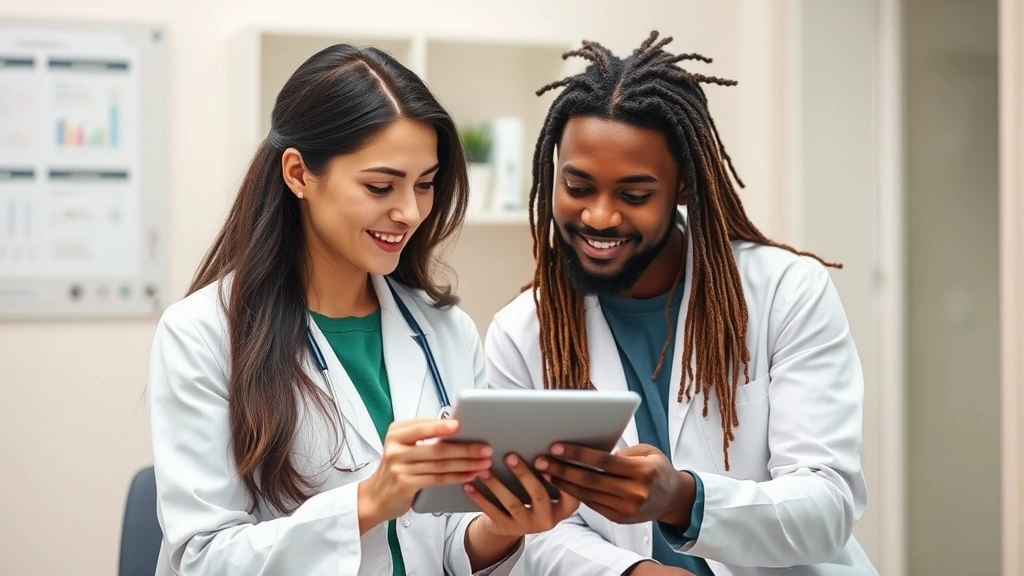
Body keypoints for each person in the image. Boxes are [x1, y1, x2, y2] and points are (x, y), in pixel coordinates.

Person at [147, 43, 577, 576]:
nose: (411, 211)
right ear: (299, 173)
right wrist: (368, 501)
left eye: (425, 184)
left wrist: (501, 528)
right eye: (380, 186)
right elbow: (201, 558)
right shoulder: (203, 334)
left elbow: (441, 544)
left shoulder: (446, 331)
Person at [484, 31, 879, 576]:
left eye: (634, 195)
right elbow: (535, 522)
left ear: (685, 188)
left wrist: (684, 499)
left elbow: (827, 506)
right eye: (578, 187)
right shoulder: (521, 332)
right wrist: (630, 573)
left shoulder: (787, 293)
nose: (599, 217)